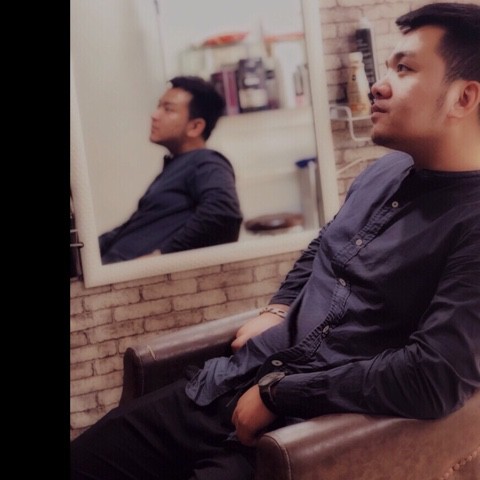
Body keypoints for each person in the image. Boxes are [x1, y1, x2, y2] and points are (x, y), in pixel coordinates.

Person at [71, 3, 480, 479]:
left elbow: (434, 376)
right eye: (386, 66)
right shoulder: (383, 172)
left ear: (464, 98)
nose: (378, 84)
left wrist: (280, 394)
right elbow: (324, 245)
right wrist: (279, 305)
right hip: (223, 384)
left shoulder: (471, 223)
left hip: (296, 435)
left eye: (404, 69)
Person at [99, 76, 243, 264]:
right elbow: (133, 228)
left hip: (132, 276)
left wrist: (161, 258)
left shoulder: (206, 162)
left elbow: (223, 215)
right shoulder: (176, 166)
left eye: (168, 109)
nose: (154, 115)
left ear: (195, 127)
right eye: (158, 106)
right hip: (110, 269)